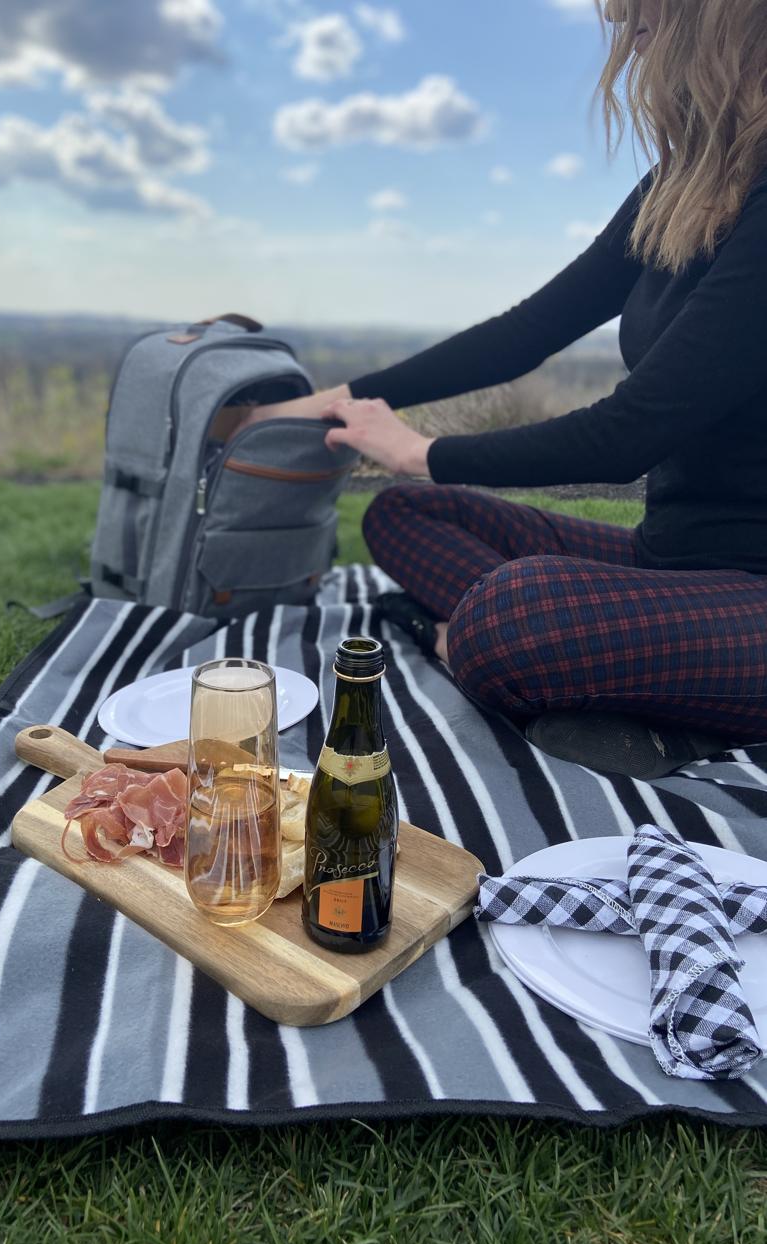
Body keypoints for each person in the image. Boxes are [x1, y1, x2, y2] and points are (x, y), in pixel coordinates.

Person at [239, 0, 767, 779]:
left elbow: (630, 432)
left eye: (639, 15)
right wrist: (329, 400)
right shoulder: (681, 188)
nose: (623, 34)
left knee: (510, 615)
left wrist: (420, 450)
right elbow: (526, 331)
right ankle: (611, 677)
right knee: (406, 512)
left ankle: (516, 654)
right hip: (671, 560)